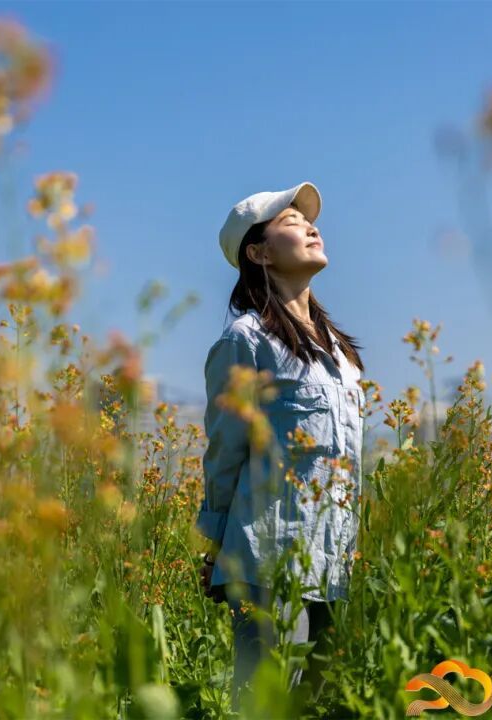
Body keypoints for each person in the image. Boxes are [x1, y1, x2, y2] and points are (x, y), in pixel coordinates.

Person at [196, 181, 365, 716]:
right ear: (259, 254)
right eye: (291, 222)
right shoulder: (244, 342)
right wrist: (214, 546)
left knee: (321, 707)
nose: (311, 228)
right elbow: (225, 452)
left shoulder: (339, 354)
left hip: (333, 565)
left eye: (309, 221)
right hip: (268, 562)